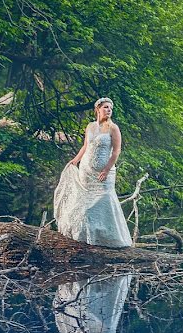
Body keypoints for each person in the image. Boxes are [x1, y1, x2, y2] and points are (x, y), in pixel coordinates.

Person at [53, 97, 133, 247]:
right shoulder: (90, 127)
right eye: (106, 107)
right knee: (85, 205)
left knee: (103, 201)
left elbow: (116, 151)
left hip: (104, 173)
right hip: (86, 171)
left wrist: (106, 169)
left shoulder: (113, 128)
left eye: (110, 108)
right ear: (98, 109)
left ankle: (109, 239)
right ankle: (85, 237)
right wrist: (75, 160)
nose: (109, 110)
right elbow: (85, 146)